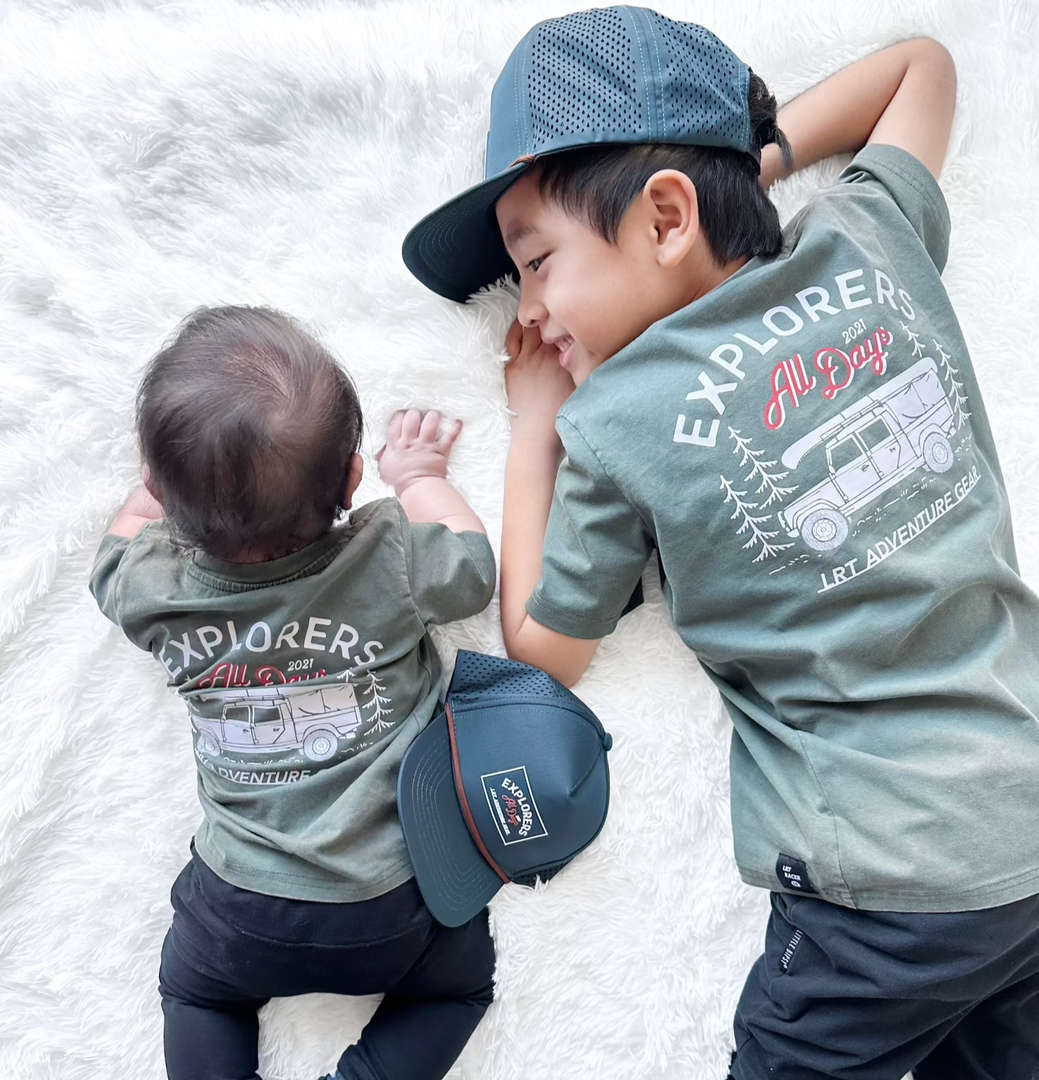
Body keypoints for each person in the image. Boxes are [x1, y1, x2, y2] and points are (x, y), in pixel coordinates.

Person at [400, 9, 1039, 1078]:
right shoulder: (866, 236)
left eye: (539, 262)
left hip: (880, 886)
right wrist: (755, 165)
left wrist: (537, 428)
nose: (531, 305)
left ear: (666, 215)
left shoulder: (618, 422)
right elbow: (921, 70)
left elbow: (541, 655)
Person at [89, 305, 496, 1080]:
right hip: (392, 897)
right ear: (352, 479)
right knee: (459, 990)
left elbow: (114, 550)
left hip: (239, 901)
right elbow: (473, 565)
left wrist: (156, 494)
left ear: (156, 490)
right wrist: (422, 479)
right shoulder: (389, 557)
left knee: (197, 998)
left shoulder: (151, 587)